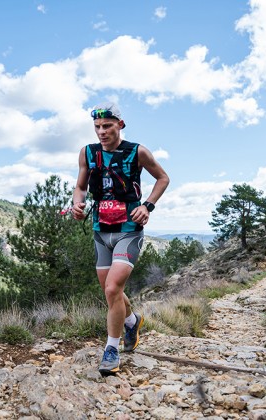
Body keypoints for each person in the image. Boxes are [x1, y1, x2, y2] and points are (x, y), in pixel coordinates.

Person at [72, 102, 169, 375]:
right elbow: (80, 187)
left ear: (120, 125)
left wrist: (147, 206)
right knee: (110, 292)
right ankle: (131, 321)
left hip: (129, 229)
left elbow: (162, 178)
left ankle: (111, 350)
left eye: (107, 126)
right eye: (97, 127)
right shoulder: (88, 153)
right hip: (100, 230)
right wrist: (77, 205)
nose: (102, 132)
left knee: (113, 289)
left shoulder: (137, 152)